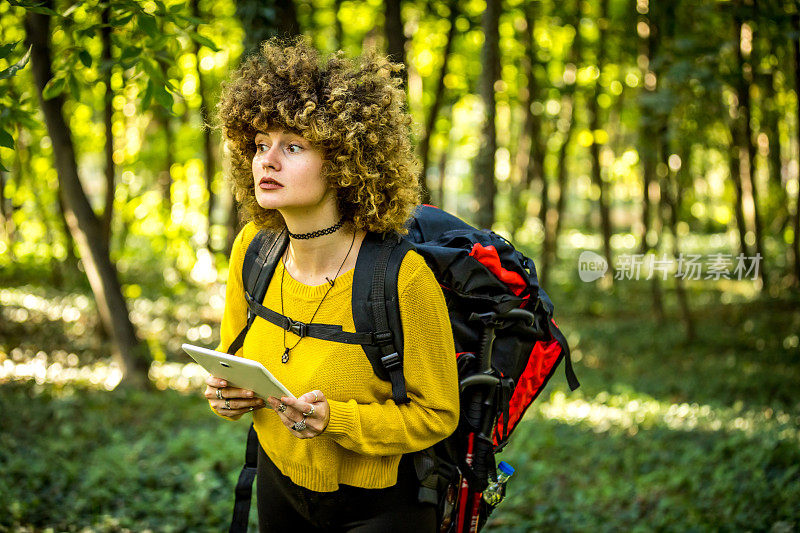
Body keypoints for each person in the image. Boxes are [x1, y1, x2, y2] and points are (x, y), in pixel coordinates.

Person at [204, 35, 460, 532]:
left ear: (345, 161)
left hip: (380, 508)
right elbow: (232, 357)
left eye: (292, 146)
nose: (267, 161)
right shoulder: (254, 249)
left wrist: (337, 420)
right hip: (276, 485)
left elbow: (438, 414)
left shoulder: (400, 277)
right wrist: (227, 397)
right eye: (260, 145)